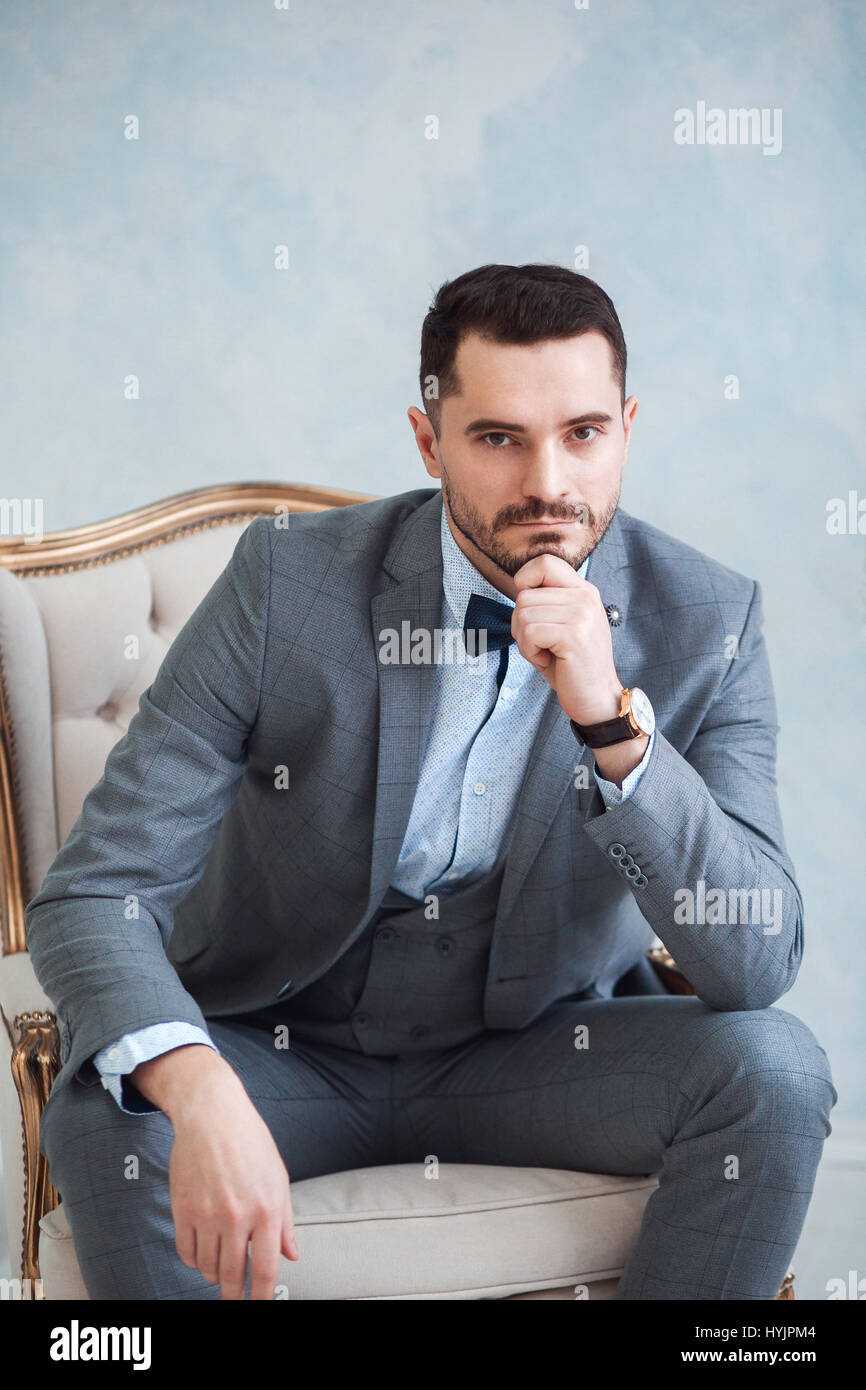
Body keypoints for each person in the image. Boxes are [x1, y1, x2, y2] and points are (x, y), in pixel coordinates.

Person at [25, 263, 837, 1301]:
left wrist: (611, 724)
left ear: (626, 427)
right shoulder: (285, 584)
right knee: (114, 1115)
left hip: (540, 1057)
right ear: (428, 439)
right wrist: (199, 1086)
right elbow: (99, 891)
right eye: (497, 437)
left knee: (774, 1070)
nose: (547, 481)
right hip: (286, 1048)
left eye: (582, 432)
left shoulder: (708, 623)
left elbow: (754, 961)